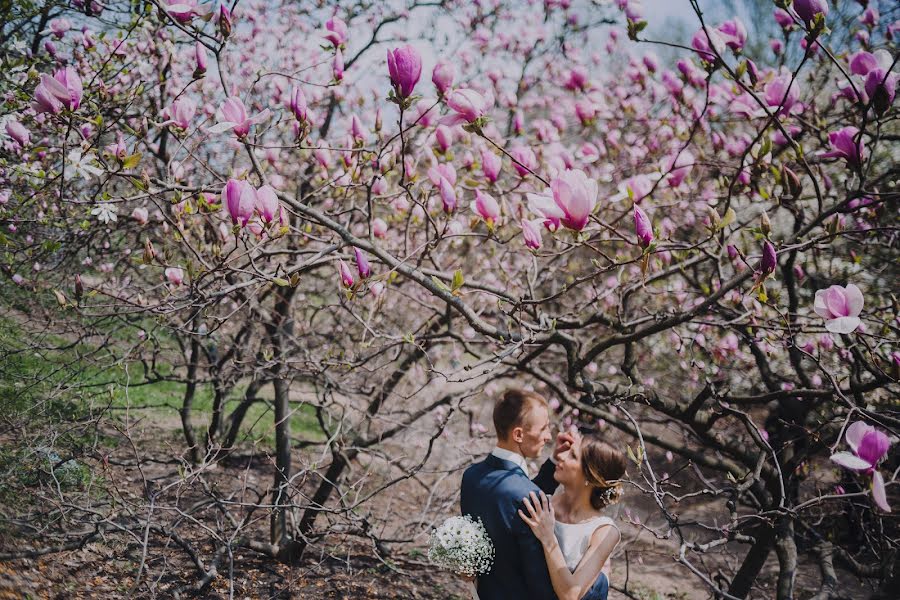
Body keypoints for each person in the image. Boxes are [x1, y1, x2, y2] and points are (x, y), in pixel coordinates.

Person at [461, 388, 604, 600]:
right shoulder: (527, 496)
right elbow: (540, 584)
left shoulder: (471, 476)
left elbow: (514, 500)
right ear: (518, 434)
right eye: (544, 428)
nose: (548, 437)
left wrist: (553, 462)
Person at [517, 434, 626, 600]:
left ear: (591, 477)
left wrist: (548, 538)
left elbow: (571, 594)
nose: (561, 456)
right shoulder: (544, 503)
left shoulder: (604, 532)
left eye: (572, 455)